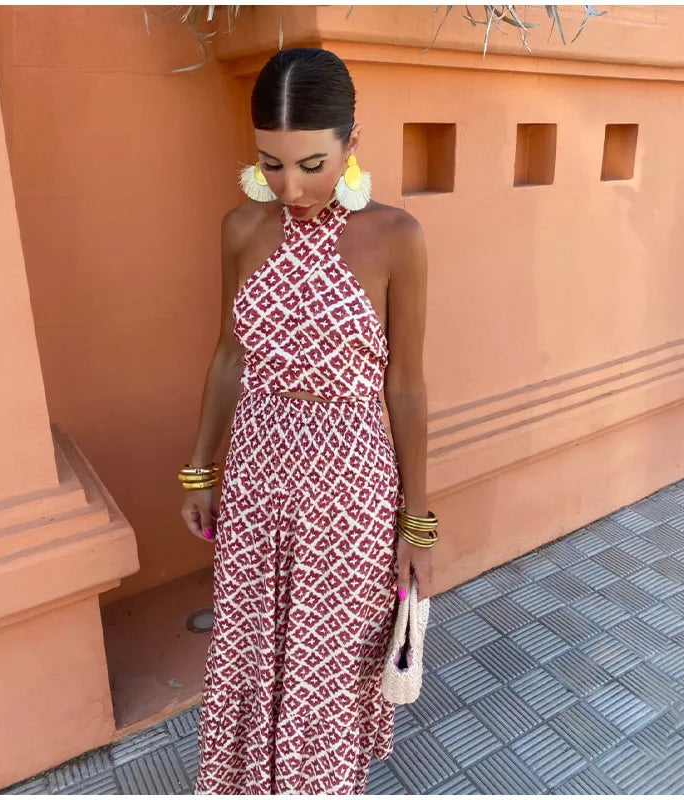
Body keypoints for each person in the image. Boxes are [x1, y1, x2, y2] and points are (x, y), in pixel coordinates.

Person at [180, 46, 440, 795]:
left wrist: (417, 526)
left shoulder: (397, 238)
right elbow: (229, 354)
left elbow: (406, 386)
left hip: (351, 487)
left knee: (331, 663)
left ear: (352, 143)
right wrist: (200, 471)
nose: (290, 187)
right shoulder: (240, 229)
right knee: (251, 649)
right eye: (271, 164)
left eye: (312, 164)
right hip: (256, 477)